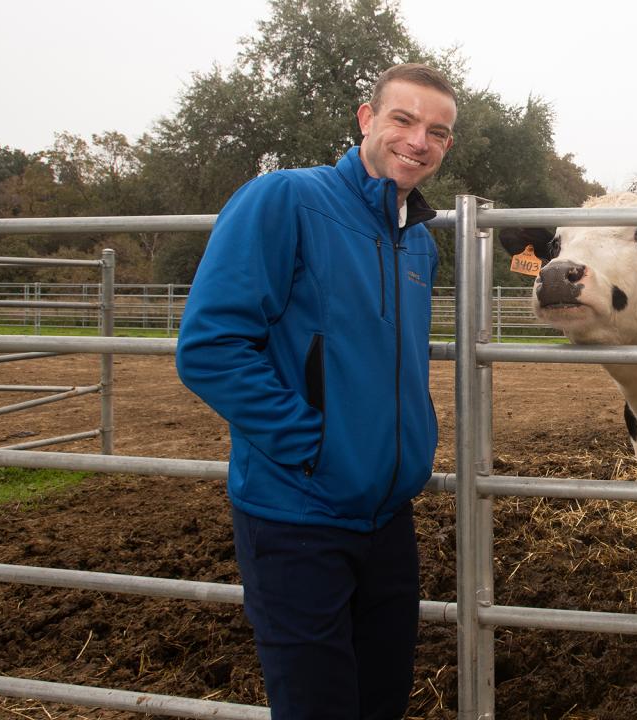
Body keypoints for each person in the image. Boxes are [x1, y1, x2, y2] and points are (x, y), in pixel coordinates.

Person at [176, 63, 457, 720]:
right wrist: (314, 447)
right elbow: (209, 347)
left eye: (437, 132)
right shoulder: (284, 200)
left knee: (380, 702)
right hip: (297, 516)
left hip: (388, 521)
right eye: (403, 120)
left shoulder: (418, 243)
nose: (419, 141)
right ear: (366, 118)